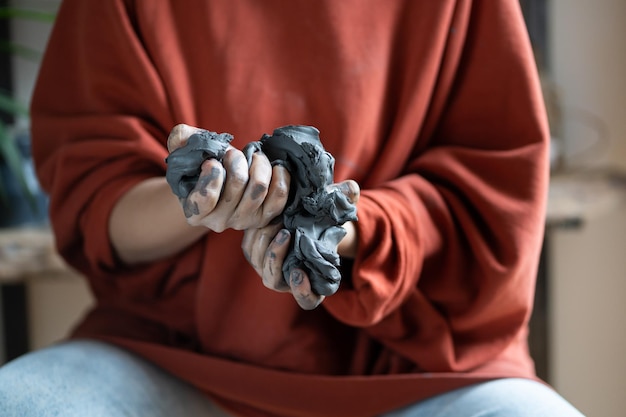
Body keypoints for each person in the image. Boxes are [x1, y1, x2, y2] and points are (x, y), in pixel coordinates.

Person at [0, 1, 584, 416]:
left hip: (419, 373)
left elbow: (491, 204)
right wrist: (203, 201)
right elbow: (93, 199)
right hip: (171, 358)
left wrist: (341, 227)